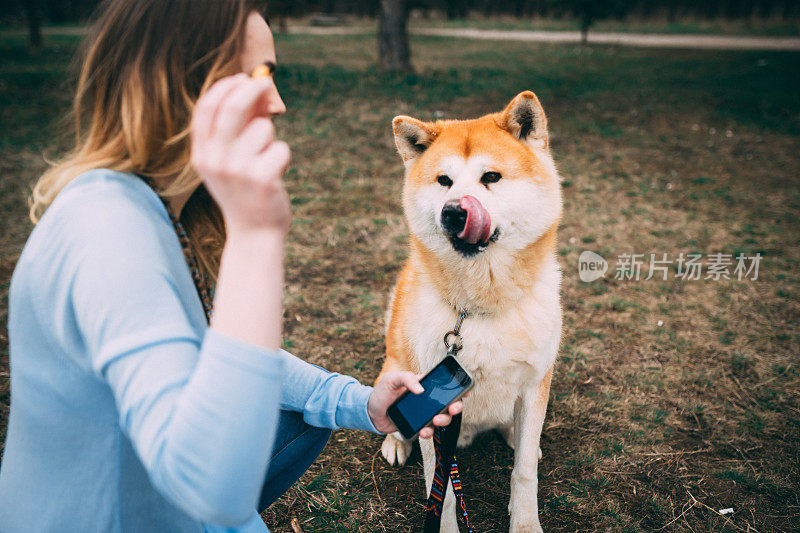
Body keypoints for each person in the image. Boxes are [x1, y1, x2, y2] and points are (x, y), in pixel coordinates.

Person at [0, 1, 462, 531]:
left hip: (167, 499)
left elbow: (225, 351)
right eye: (259, 76)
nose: (280, 103)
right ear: (181, 81)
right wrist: (257, 233)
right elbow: (213, 492)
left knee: (304, 413)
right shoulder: (106, 233)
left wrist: (361, 404)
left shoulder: (171, 212)